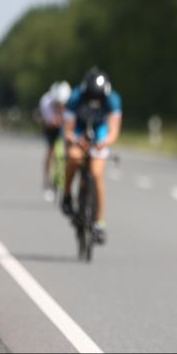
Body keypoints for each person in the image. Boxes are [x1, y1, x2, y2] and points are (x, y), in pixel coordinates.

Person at [60, 69, 122, 244]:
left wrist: (104, 142)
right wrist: (76, 140)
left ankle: (98, 222)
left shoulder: (113, 100)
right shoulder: (75, 98)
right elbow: (67, 130)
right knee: (74, 157)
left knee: (96, 173)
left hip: (100, 131)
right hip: (79, 130)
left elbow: (113, 131)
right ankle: (67, 195)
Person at [38, 81, 71, 200]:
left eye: (63, 104)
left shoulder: (71, 102)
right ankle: (46, 181)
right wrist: (54, 121)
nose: (60, 106)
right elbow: (48, 122)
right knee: (50, 150)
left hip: (65, 125)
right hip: (50, 126)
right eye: (57, 104)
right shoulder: (46, 102)